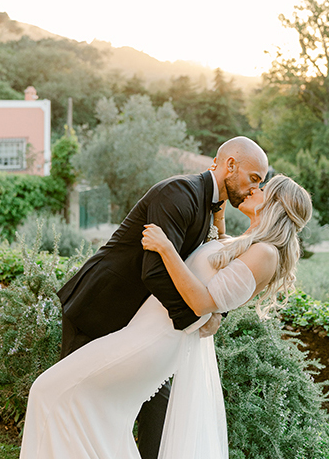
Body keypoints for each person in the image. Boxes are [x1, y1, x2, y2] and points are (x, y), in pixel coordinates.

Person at [20, 174, 310, 459]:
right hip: (145, 334)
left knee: (49, 390)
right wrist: (219, 221)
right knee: (99, 417)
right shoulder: (250, 244)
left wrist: (166, 248)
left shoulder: (267, 254)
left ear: (274, 203)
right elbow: (218, 273)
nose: (254, 190)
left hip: (151, 342)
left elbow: (202, 301)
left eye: (263, 188)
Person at [53, 136, 268, 458]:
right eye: (253, 179)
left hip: (141, 323)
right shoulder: (178, 194)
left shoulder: (211, 207)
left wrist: (215, 313)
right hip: (99, 308)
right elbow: (154, 271)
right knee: (75, 398)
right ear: (231, 165)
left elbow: (207, 276)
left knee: (158, 402)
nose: (255, 189)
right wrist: (195, 319)